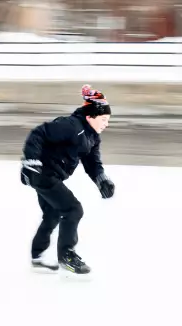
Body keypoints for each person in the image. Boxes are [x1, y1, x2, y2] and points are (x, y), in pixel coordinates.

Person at [20, 85, 115, 277]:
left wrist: (101, 179)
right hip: (42, 173)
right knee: (73, 209)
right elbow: (38, 133)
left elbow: (92, 162)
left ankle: (37, 256)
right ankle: (67, 255)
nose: (106, 123)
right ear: (91, 116)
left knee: (53, 213)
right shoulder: (71, 126)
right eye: (104, 119)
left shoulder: (92, 136)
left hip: (51, 175)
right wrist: (31, 162)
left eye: (108, 120)